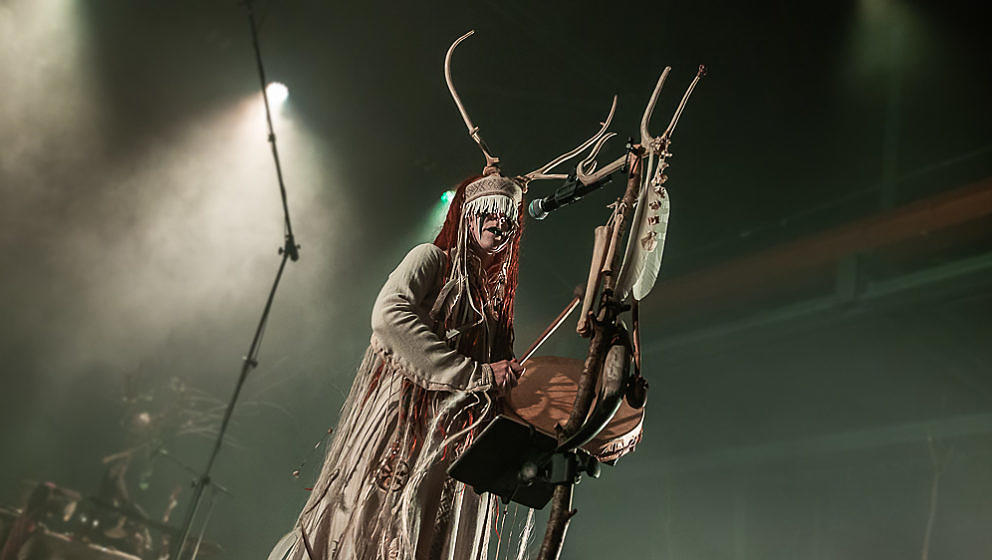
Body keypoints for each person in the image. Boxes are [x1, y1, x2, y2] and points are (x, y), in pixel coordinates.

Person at [269, 173, 527, 560]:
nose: (499, 222)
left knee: (429, 534)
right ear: (468, 215)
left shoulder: (494, 303)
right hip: (408, 421)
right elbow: (390, 315)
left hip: (454, 437)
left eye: (508, 217)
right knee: (376, 522)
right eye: (490, 211)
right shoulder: (432, 260)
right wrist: (476, 374)